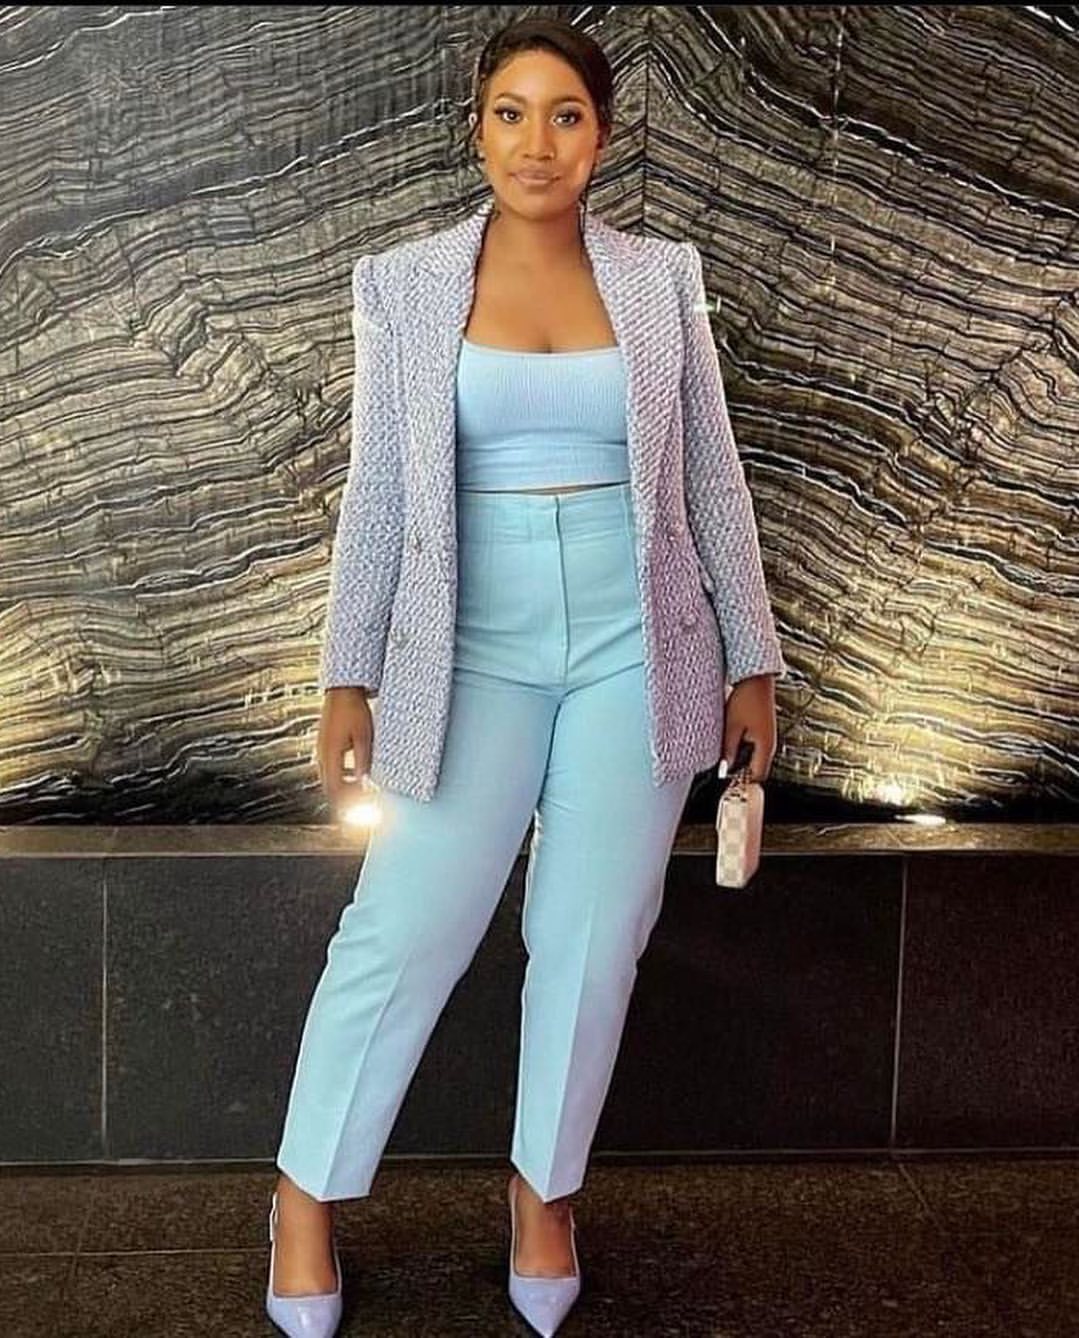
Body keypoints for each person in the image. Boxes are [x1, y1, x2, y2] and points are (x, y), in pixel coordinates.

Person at [265, 15, 786, 1338]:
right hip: (468, 645)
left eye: (565, 114)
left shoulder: (662, 278)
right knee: (407, 925)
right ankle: (303, 1195)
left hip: (635, 642)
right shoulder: (404, 284)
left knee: (594, 936)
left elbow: (712, 478)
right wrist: (347, 674)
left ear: (601, 137)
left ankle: (543, 1193)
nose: (536, 142)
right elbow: (379, 493)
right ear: (477, 129)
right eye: (511, 112)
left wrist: (752, 655)